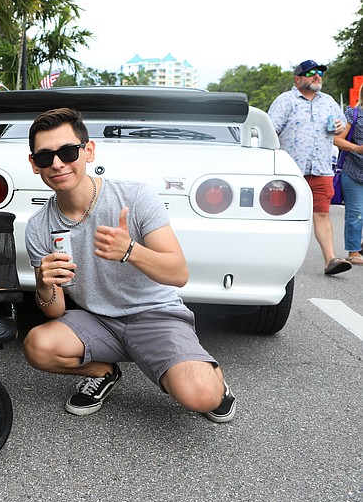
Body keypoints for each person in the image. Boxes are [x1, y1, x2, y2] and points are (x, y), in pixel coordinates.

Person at [22, 108, 236, 423]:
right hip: (96, 321)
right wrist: (43, 284)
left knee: (201, 395)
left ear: (88, 150)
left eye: (68, 152)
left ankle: (209, 376)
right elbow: (55, 311)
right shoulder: (39, 227)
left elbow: (178, 273)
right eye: (45, 157)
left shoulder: (134, 198)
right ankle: (103, 371)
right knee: (37, 346)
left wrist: (130, 250)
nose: (57, 163)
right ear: (34, 165)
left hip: (155, 316)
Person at [268, 59, 351, 276]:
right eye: (311, 72)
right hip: (291, 171)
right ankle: (275, 260)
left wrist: (340, 128)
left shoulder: (329, 102)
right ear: (297, 79)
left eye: (319, 73)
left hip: (321, 168)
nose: (317, 76)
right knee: (283, 215)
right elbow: (270, 131)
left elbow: (340, 130)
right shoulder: (285, 101)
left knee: (322, 214)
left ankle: (330, 260)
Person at [334, 82, 363, 265]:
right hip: (353, 171)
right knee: (356, 213)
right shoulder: (353, 114)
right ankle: (353, 251)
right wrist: (357, 149)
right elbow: (337, 139)